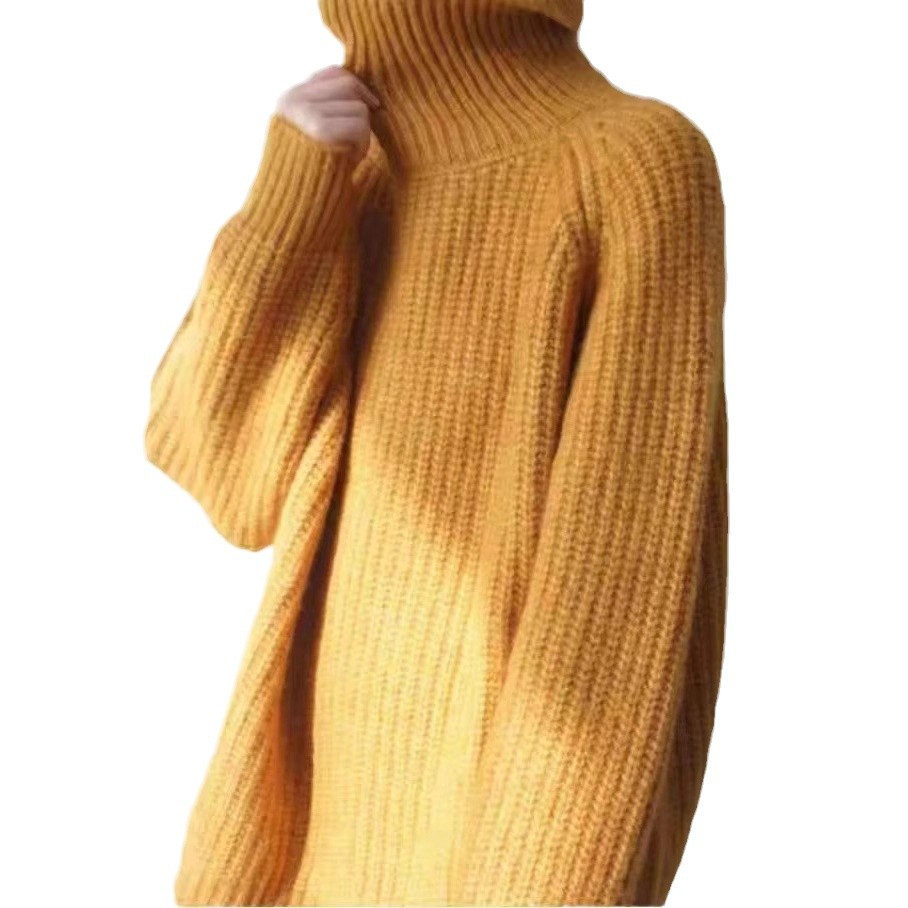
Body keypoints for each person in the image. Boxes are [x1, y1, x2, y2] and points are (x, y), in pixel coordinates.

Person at [143, 1, 728, 905]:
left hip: (483, 871)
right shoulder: (350, 171)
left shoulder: (631, 165)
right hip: (299, 857)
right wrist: (286, 203)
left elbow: (611, 631)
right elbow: (223, 474)